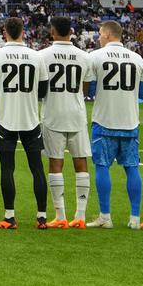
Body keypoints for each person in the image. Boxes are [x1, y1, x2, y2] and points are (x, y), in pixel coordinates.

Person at [0, 18, 49, 230]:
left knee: (7, 168)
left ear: (5, 32)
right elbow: (42, 91)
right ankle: (41, 217)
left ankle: (9, 216)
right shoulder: (36, 56)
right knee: (37, 168)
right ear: (23, 31)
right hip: (30, 119)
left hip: (6, 119)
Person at [87, 21, 143, 230]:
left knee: (102, 166)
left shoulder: (95, 56)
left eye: (99, 34)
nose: (98, 38)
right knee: (132, 168)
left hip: (104, 120)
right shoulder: (138, 58)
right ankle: (135, 218)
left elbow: (91, 89)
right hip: (130, 122)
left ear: (107, 34)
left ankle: (105, 216)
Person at [38, 17, 94, 229]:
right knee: (81, 163)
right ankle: (80, 216)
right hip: (76, 113)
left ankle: (60, 215)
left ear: (52, 31)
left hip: (53, 114)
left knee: (55, 164)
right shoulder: (84, 56)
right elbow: (86, 88)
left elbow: (40, 88)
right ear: (71, 31)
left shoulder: (42, 55)